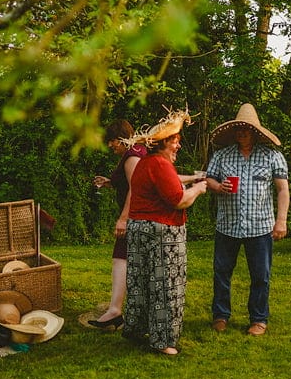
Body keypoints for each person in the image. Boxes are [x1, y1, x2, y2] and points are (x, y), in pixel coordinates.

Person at [122, 109, 208, 355]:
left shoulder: (147, 163)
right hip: (162, 234)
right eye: (175, 140)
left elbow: (169, 179)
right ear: (164, 143)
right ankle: (164, 342)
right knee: (165, 286)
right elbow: (178, 200)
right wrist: (199, 188)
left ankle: (136, 329)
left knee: (141, 283)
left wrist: (191, 177)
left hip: (140, 229)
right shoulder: (159, 163)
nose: (178, 145)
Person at [205, 103, 289, 336]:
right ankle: (221, 315)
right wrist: (218, 187)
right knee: (222, 272)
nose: (242, 132)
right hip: (227, 225)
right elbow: (208, 180)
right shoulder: (222, 155)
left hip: (260, 226)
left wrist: (281, 221)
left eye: (246, 128)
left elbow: (283, 190)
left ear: (255, 131)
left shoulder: (272, 156)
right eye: (238, 129)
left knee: (260, 276)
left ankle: (258, 319)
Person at [88, 120, 146, 330]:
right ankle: (117, 309)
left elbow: (135, 188)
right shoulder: (136, 151)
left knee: (120, 259)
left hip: (135, 216)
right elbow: (129, 182)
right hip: (139, 216)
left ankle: (115, 310)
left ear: (121, 138)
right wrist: (110, 182)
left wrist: (123, 219)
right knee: (122, 258)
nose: (110, 145)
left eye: (112, 141)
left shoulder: (132, 156)